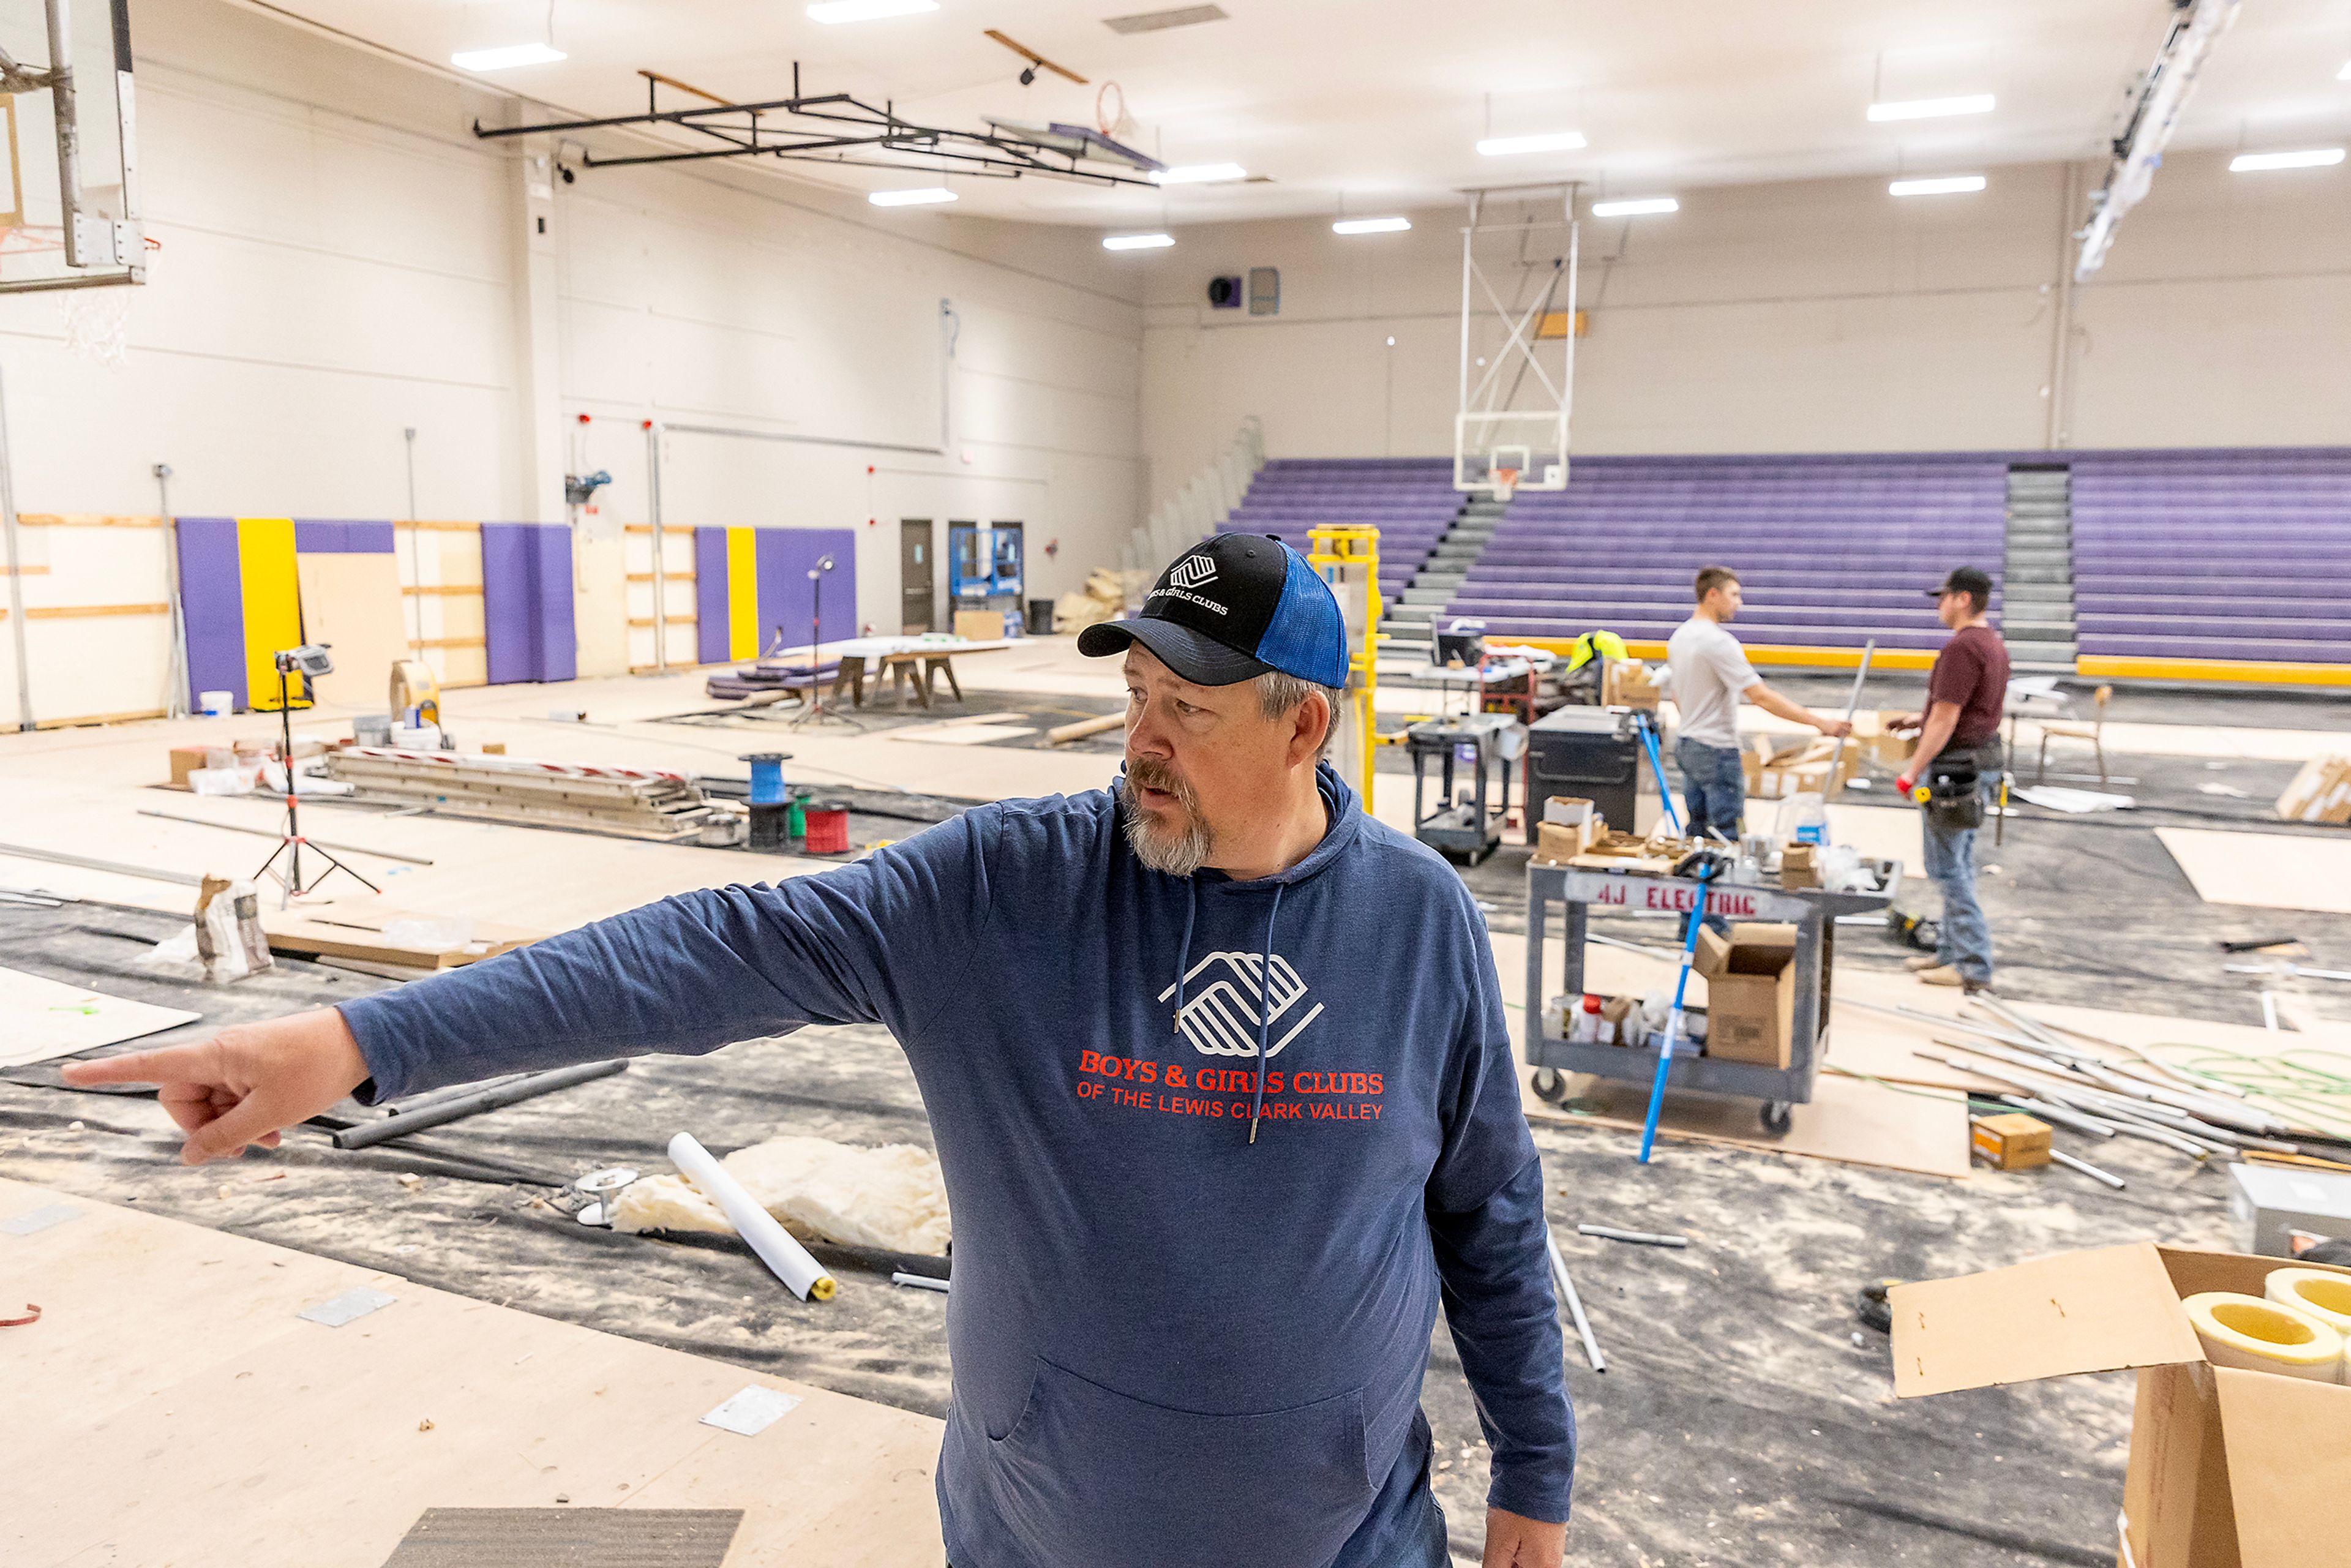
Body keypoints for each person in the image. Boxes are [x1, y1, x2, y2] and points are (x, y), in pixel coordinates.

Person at [66, 532, 1574, 1568]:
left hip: (1339, 1534)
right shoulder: (1007, 889)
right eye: (1130, 693)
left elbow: (1487, 1215)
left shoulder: (1414, 921)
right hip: (1040, 1526)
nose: (1141, 736)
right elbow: (705, 948)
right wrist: (358, 1035)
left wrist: (1535, 1463)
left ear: (1304, 725)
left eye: (1184, 705)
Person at [1664, 566, 1852, 841]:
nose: (1739, 603)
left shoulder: (1679, 638)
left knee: (1698, 832)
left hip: (1688, 743)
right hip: (1716, 750)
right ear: (1713, 595)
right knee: (1727, 833)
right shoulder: (1718, 643)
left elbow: (1677, 694)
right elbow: (1761, 696)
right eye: (1735, 595)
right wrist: (1821, 723)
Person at [1892, 566, 2012, 992]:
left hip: (1955, 770)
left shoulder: (1962, 649)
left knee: (1948, 868)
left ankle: (1972, 964)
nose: (1939, 606)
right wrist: (1918, 718)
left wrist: (1911, 771)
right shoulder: (1992, 643)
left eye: (1943, 597)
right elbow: (1967, 708)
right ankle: (1950, 953)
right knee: (1957, 861)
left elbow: (1947, 717)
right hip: (1979, 761)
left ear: (1962, 599)